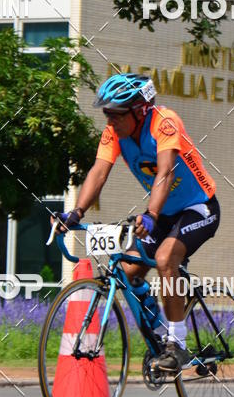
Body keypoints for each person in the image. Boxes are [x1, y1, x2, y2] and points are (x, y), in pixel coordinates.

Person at [54, 73, 220, 373]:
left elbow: (166, 172)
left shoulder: (164, 122)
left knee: (165, 258)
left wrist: (151, 215)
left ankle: (177, 345)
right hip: (163, 214)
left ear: (139, 110)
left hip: (199, 207)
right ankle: (160, 335)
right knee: (129, 272)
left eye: (116, 114)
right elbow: (98, 172)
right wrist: (75, 213)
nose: (110, 121)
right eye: (107, 114)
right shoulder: (113, 133)